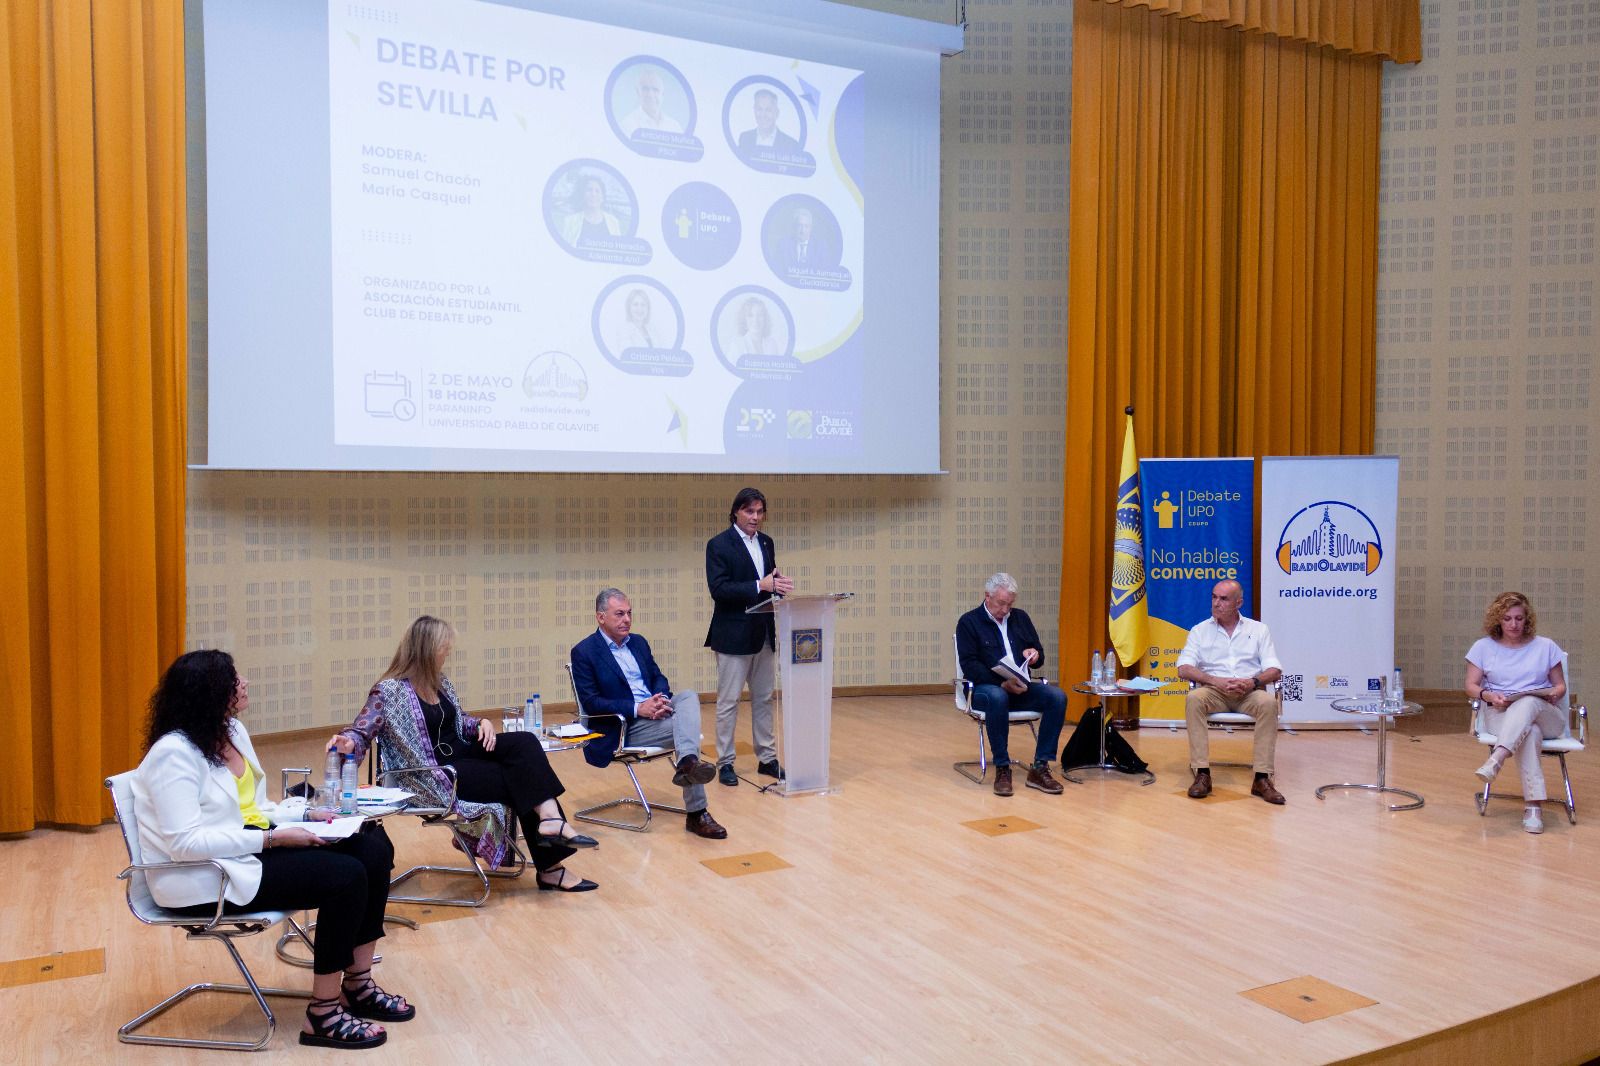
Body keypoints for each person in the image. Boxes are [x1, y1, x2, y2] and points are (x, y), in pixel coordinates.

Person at [133, 650, 411, 1050]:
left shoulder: (230, 732)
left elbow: (255, 809)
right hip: (206, 874)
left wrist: (306, 814)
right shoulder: (173, 754)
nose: (244, 682)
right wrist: (273, 839)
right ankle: (324, 1012)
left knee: (373, 849)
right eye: (234, 678)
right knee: (344, 877)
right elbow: (184, 844)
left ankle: (359, 983)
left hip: (247, 849)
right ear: (209, 692)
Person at [331, 616, 600, 893]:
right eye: (444, 646)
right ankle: (552, 866)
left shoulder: (441, 683)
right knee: (519, 778)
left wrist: (480, 722)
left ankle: (549, 818)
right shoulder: (388, 690)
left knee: (524, 743)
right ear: (426, 649)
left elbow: (457, 720)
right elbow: (361, 729)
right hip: (435, 773)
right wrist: (348, 742)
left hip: (463, 754)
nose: (448, 652)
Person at [572, 588, 729, 838]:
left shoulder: (639, 643)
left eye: (629, 613)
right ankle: (697, 813)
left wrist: (661, 700)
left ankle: (687, 762)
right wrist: (638, 708)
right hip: (625, 726)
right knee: (685, 729)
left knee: (688, 695)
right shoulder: (584, 652)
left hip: (656, 714)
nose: (627, 620)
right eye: (619, 614)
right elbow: (592, 703)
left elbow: (657, 677)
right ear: (601, 617)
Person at [704, 486, 791, 786]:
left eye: (759, 512)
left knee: (764, 698)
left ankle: (767, 758)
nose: (755, 517)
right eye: (749, 511)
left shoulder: (766, 543)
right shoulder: (719, 545)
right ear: (736, 512)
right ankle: (725, 761)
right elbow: (720, 590)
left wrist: (776, 587)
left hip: (763, 632)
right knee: (729, 701)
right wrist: (760, 585)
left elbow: (768, 583)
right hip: (732, 634)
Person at [954, 573, 1067, 797]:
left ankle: (1040, 767)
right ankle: (1002, 767)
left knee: (1057, 697)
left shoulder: (1020, 618)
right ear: (987, 597)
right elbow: (970, 666)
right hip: (984, 690)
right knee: (997, 696)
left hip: (1019, 685)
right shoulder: (969, 622)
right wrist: (1001, 682)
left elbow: (1040, 655)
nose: (1005, 610)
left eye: (1010, 604)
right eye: (1001, 603)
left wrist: (1033, 655)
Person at [1466, 591, 1568, 834]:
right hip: (1500, 714)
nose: (1514, 624)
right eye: (1508, 618)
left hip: (1547, 717)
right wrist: (1488, 696)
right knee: (1529, 732)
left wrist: (1554, 693)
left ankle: (1497, 759)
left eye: (1519, 618)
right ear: (1498, 620)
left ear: (1527, 619)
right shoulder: (1483, 647)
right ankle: (1533, 808)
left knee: (1528, 701)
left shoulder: (1546, 646)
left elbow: (1560, 685)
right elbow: (1471, 686)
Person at [1176, 579, 1285, 804]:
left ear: (1239, 602)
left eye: (1223, 599)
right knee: (1194, 698)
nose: (1217, 603)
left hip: (1248, 692)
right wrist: (1213, 680)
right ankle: (1202, 773)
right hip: (1214, 692)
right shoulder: (1200, 630)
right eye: (1214, 597)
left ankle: (1262, 778)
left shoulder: (1258, 629)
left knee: (1268, 703)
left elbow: (1274, 669)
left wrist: (1252, 682)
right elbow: (1184, 668)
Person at [558, 175, 623, 247]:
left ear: (603, 198)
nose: (593, 194)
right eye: (589, 190)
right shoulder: (570, 221)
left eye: (597, 191)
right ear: (583, 195)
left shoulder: (613, 222)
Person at [618, 67, 683, 135]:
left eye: (655, 90)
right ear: (638, 92)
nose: (650, 95)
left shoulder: (674, 127)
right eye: (645, 89)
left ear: (663, 94)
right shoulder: (627, 125)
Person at [737, 89, 801, 153]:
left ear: (777, 113)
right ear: (754, 111)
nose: (763, 115)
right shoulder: (745, 138)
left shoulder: (791, 145)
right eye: (759, 109)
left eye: (768, 110)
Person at [727, 295, 775, 361]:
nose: (755, 320)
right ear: (744, 319)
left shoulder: (772, 344)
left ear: (765, 319)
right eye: (750, 315)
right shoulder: (737, 345)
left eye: (760, 315)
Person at [612, 288, 656, 352]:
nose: (639, 309)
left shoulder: (652, 330)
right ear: (629, 308)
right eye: (635, 304)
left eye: (643, 304)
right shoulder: (623, 331)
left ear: (648, 308)